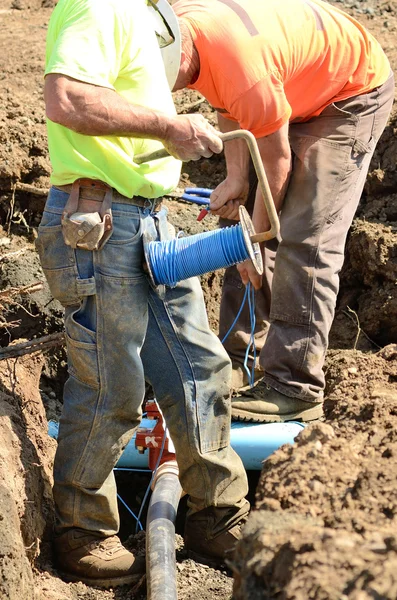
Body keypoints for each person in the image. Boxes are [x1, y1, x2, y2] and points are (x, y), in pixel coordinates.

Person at [38, 0, 250, 588]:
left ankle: (217, 514)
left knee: (200, 366)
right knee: (113, 383)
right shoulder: (99, 5)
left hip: (146, 219)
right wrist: (167, 126)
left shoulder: (140, 10)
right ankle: (84, 530)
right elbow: (68, 100)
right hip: (100, 219)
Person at [172, 0, 394, 423]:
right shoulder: (179, 26)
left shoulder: (240, 65)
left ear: (180, 55)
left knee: (303, 232)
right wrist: (236, 178)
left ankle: (294, 384)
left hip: (349, 93)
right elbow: (227, 101)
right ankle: (237, 363)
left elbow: (276, 162)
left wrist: (251, 241)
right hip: (287, 85)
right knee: (241, 216)